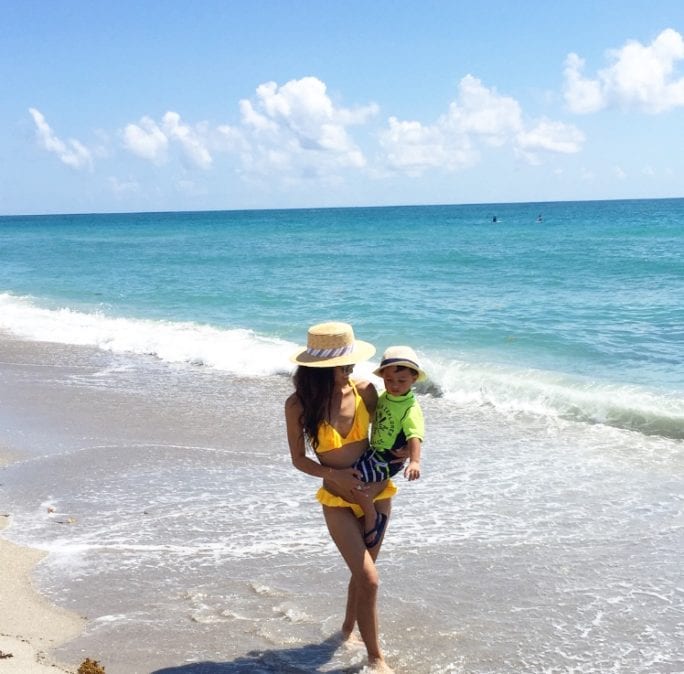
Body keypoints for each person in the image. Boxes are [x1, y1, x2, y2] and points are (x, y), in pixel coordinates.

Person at [285, 321, 400, 673]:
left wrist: (406, 452)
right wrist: (331, 473)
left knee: (363, 575)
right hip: (336, 500)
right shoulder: (298, 405)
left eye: (350, 361)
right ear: (319, 370)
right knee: (369, 578)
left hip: (377, 494)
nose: (351, 368)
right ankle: (376, 659)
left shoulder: (365, 390)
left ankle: (348, 629)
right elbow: (299, 459)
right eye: (343, 364)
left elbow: (388, 433)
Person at [352, 346, 426, 545]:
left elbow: (415, 436)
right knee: (350, 476)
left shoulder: (410, 408)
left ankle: (372, 517)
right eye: (389, 380)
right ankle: (367, 509)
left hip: (389, 458)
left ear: (414, 379)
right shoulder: (386, 396)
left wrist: (415, 461)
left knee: (357, 485)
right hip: (375, 452)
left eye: (401, 381)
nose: (394, 385)